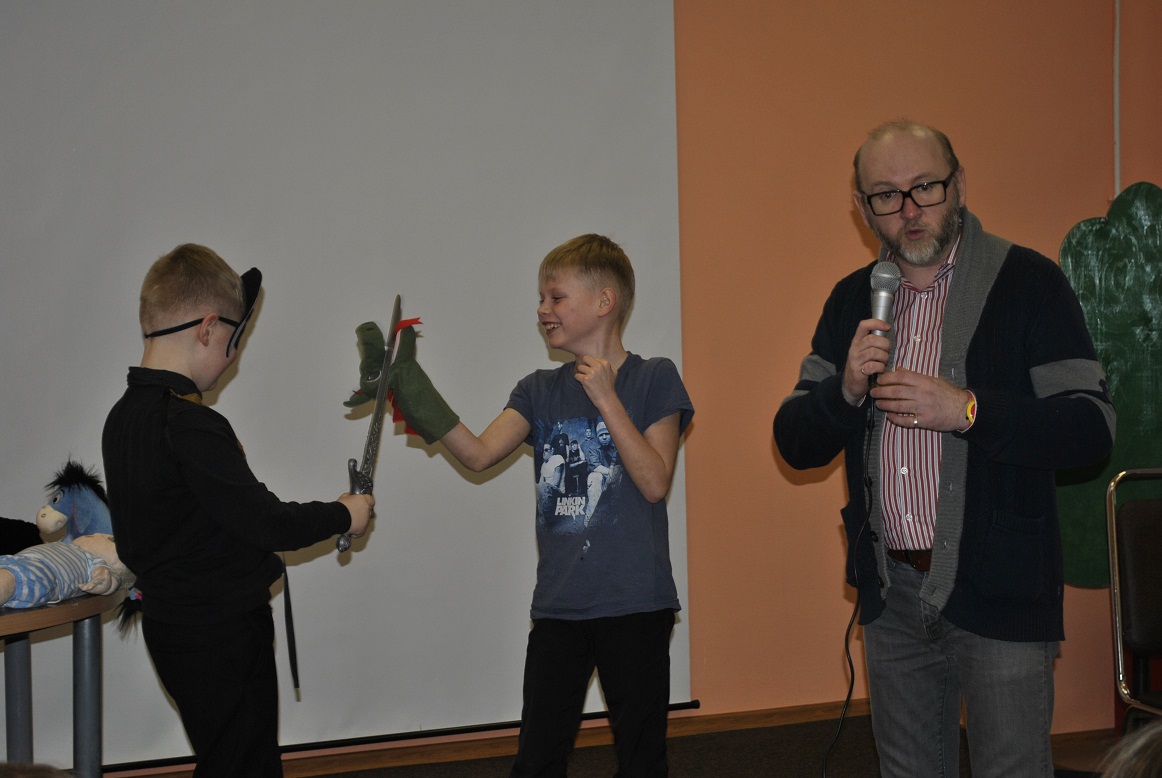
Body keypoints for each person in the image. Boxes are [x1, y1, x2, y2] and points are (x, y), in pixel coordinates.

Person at [773, 121, 1115, 777]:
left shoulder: (1029, 282)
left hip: (1003, 589)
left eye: (925, 187)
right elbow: (794, 440)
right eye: (886, 195)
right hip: (893, 594)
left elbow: (1091, 427)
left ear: (958, 184)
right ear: (862, 207)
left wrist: (967, 411)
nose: (909, 210)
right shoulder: (853, 300)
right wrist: (844, 391)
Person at [385, 233, 693, 777]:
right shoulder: (538, 389)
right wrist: (415, 393)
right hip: (559, 606)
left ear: (604, 301)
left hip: (635, 604)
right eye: (541, 298)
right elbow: (478, 454)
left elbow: (654, 482)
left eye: (556, 297)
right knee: (537, 759)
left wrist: (606, 398)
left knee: (642, 761)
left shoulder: (654, 377)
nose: (542, 309)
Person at [101, 244, 374, 778]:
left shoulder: (123, 417)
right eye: (233, 342)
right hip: (220, 633)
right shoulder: (189, 424)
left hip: (173, 629)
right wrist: (345, 514)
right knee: (245, 765)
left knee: (226, 758)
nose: (233, 358)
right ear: (208, 328)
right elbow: (266, 522)